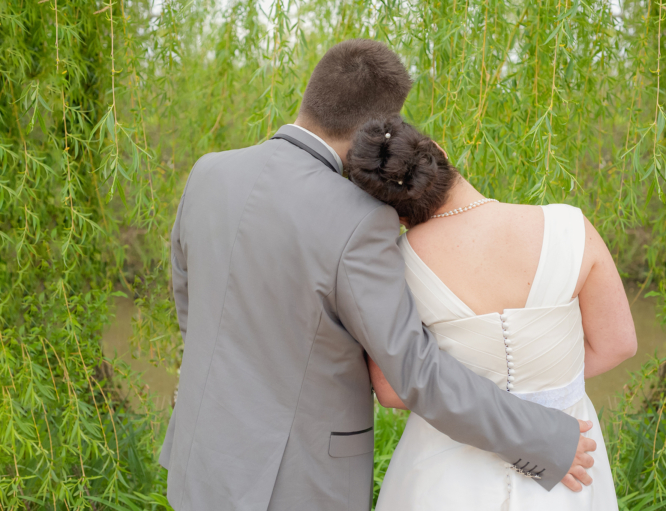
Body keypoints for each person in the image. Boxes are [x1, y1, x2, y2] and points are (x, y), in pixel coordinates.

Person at [159, 39, 595, 511]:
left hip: (200, 457)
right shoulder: (359, 219)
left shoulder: (207, 175)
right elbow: (413, 369)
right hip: (296, 482)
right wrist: (543, 439)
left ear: (311, 95)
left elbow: (192, 307)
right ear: (376, 127)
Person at [346, 116, 637, 510]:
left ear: (391, 211)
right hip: (571, 453)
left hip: (445, 470)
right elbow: (618, 344)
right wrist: (549, 382)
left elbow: (391, 390)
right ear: (441, 153)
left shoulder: (392, 267)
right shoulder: (569, 227)